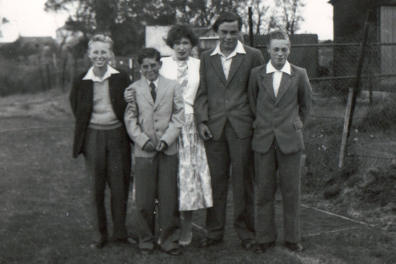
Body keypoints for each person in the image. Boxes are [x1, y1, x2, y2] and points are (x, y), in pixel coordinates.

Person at [194, 12, 265, 250]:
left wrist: (256, 122)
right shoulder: (206, 58)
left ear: (240, 31)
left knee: (243, 181)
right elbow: (202, 92)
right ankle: (214, 232)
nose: (228, 37)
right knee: (216, 182)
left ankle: (247, 234)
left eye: (233, 32)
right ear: (216, 32)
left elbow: (260, 93)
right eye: (223, 32)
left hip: (242, 128)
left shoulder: (253, 56)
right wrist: (202, 121)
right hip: (214, 129)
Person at [248, 30, 312, 253]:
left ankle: (292, 238)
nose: (280, 53)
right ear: (268, 50)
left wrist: (295, 124)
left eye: (284, 49)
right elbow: (252, 103)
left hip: (290, 142)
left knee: (291, 191)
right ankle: (264, 238)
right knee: (264, 191)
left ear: (289, 50)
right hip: (263, 140)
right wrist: (264, 125)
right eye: (276, 49)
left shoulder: (299, 74)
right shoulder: (257, 74)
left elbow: (306, 105)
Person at [69, 34, 131, 249]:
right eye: (95, 52)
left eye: (104, 52)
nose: (99, 56)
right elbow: (76, 107)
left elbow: (128, 105)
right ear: (89, 54)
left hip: (118, 137)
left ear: (110, 54)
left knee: (119, 187)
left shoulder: (121, 77)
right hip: (93, 137)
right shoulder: (81, 80)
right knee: (95, 189)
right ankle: (99, 235)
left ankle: (120, 233)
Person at [124, 48, 184, 256]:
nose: (149, 70)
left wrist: (167, 140)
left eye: (153, 65)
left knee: (168, 198)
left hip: (168, 151)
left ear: (160, 64)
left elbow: (178, 116)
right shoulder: (133, 89)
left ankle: (169, 240)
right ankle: (146, 240)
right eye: (145, 67)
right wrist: (142, 140)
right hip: (144, 152)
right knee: (144, 200)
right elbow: (130, 119)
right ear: (140, 68)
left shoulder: (173, 86)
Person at [160, 24, 213, 246]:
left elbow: (205, 95)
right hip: (167, 125)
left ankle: (187, 228)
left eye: (185, 43)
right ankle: (165, 226)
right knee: (168, 177)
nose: (181, 47)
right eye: (177, 43)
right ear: (171, 45)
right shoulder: (162, 65)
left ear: (192, 45)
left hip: (191, 126)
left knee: (188, 178)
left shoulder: (199, 66)